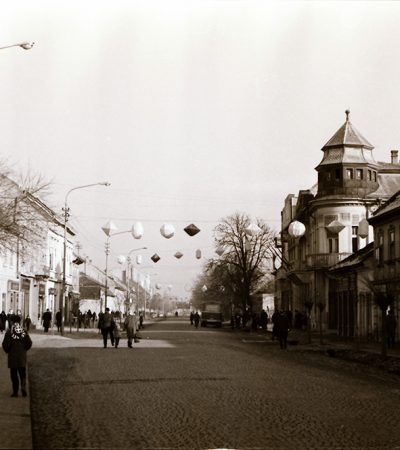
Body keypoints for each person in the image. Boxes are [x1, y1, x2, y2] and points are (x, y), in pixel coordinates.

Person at [2, 316, 32, 397]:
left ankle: (15, 392)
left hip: (13, 356)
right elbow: (29, 343)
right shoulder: (24, 331)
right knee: (22, 373)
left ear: (12, 322)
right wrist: (24, 349)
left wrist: (8, 350)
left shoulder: (9, 332)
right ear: (19, 322)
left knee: (14, 374)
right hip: (22, 355)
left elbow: (5, 344)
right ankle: (23, 387)